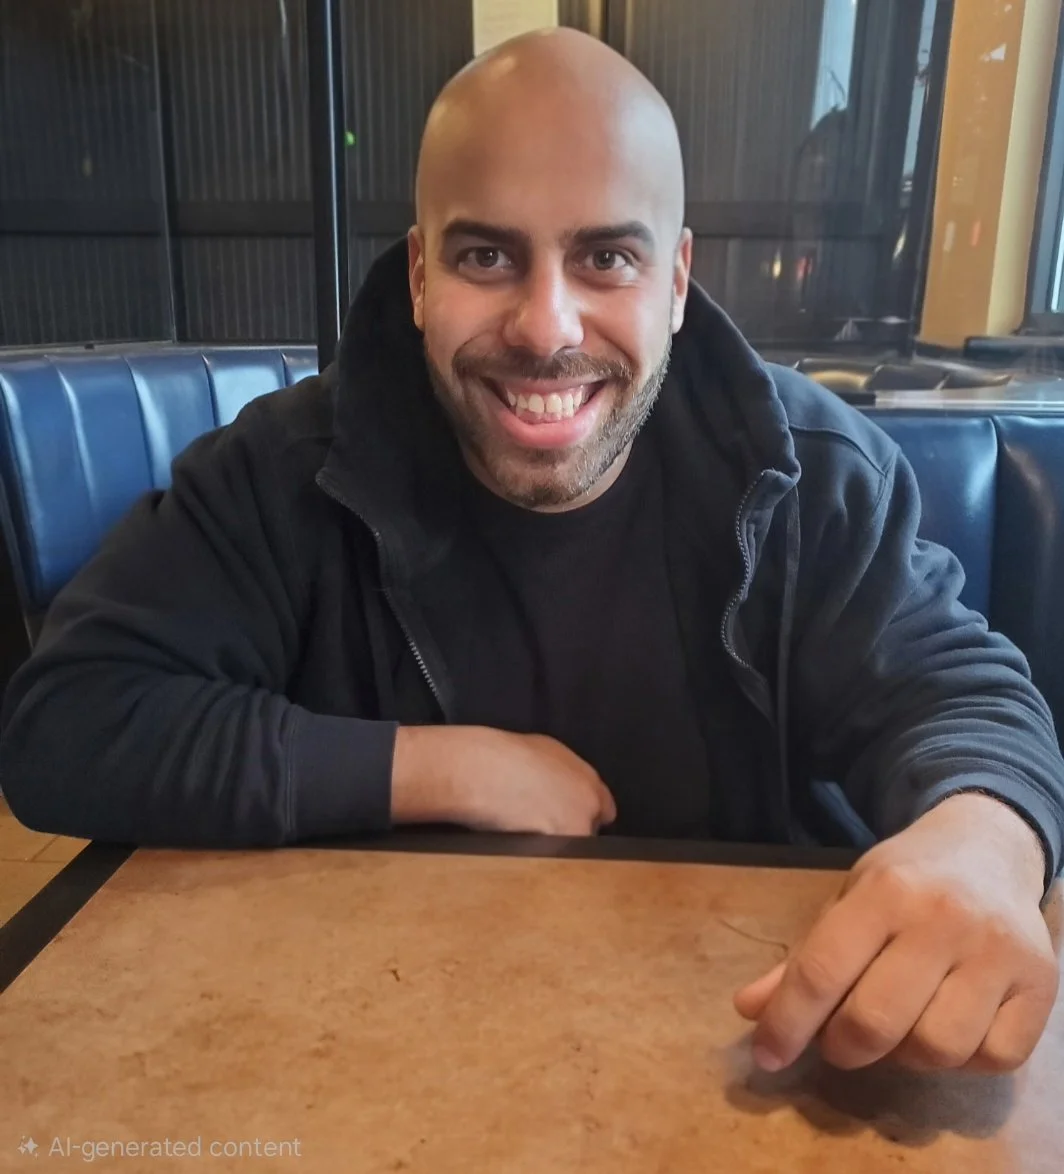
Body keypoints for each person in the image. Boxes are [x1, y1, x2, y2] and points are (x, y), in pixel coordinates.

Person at [1, 28, 1062, 1078]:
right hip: (378, 1049)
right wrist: (435, 766)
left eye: (606, 257)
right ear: (419, 274)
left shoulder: (814, 474)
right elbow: (67, 723)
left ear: (676, 279)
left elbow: (955, 696)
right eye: (485, 256)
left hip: (746, 1055)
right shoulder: (280, 475)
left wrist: (979, 844)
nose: (545, 326)